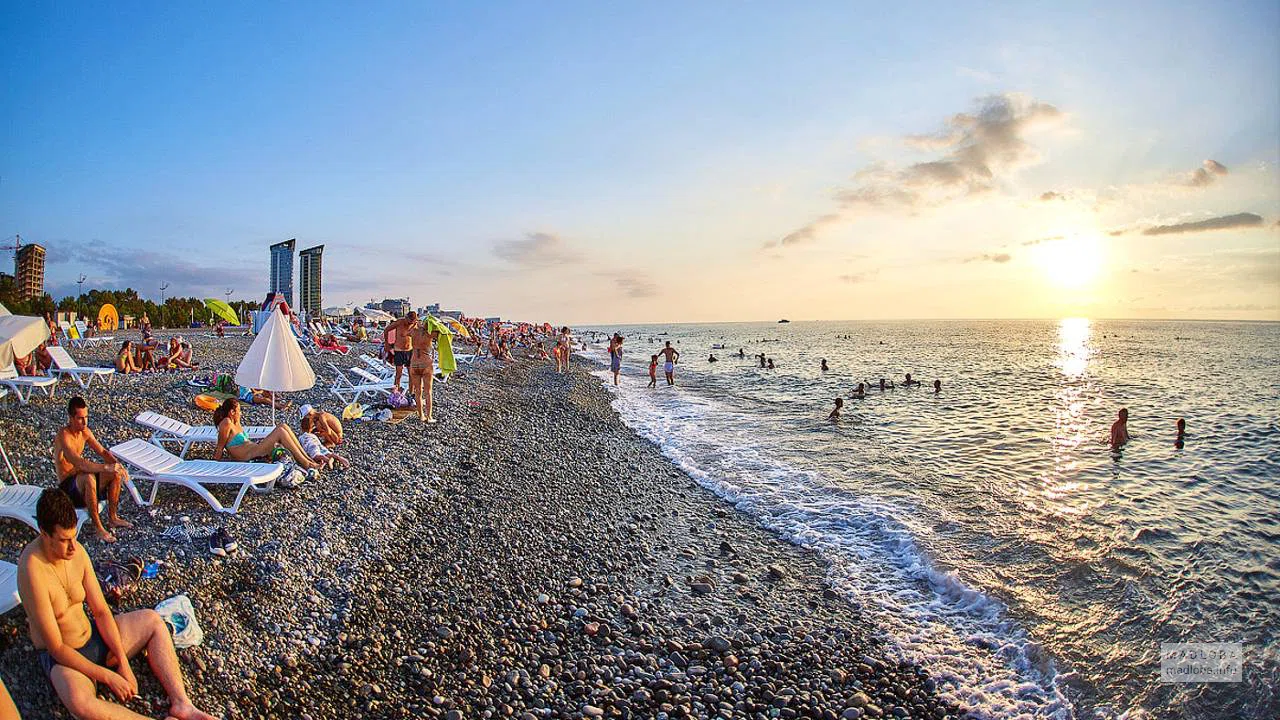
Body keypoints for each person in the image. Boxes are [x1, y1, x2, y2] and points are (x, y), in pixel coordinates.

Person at [17, 489, 221, 720]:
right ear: (44, 533)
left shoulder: (77, 553)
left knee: (153, 621)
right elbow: (56, 648)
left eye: (74, 537)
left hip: (92, 636)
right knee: (80, 704)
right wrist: (108, 676)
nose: (73, 547)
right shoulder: (33, 571)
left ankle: (183, 705)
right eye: (64, 540)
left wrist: (122, 662)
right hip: (65, 657)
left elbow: (102, 611)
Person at [53, 397, 133, 544]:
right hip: (67, 489)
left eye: (86, 417)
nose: (85, 422)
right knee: (89, 477)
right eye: (80, 418)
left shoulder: (85, 432)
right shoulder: (63, 436)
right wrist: (106, 467)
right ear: (71, 418)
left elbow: (102, 451)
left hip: (80, 481)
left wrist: (118, 466)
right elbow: (79, 462)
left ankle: (113, 518)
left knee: (114, 474)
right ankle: (98, 528)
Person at [213, 399, 320, 470]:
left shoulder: (236, 422)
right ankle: (306, 463)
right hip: (247, 456)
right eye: (239, 411)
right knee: (280, 432)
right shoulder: (226, 423)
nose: (241, 413)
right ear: (232, 412)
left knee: (283, 426)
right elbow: (220, 447)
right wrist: (212, 467)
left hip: (254, 449)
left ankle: (307, 458)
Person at [407, 318, 441, 422]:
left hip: (414, 364)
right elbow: (442, 332)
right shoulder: (430, 334)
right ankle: (429, 416)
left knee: (417, 391)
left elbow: (407, 332)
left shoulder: (413, 332)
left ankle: (421, 415)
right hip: (426, 364)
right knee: (428, 392)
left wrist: (416, 325)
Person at [382, 311, 418, 391]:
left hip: (410, 350)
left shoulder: (415, 325)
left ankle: (411, 392)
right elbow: (386, 330)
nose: (410, 324)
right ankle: (396, 392)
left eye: (412, 322)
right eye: (409, 322)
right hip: (399, 350)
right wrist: (387, 343)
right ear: (406, 318)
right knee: (399, 373)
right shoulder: (399, 322)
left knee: (411, 374)